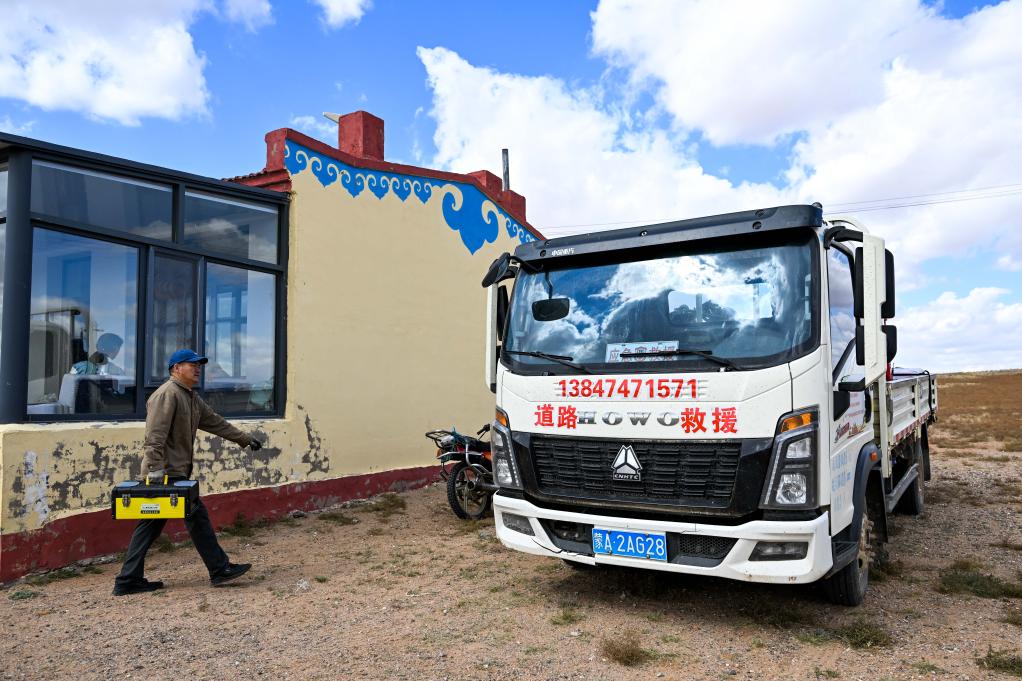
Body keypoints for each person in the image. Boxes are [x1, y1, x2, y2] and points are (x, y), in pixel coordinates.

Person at [113, 349, 264, 596]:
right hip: (165, 474)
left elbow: (215, 422)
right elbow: (154, 436)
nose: (197, 369)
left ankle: (128, 579)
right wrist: (154, 471)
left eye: (199, 365)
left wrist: (244, 439)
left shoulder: (190, 397)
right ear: (176, 368)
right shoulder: (167, 394)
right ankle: (219, 569)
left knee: (151, 525)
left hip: (175, 473)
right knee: (196, 517)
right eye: (192, 364)